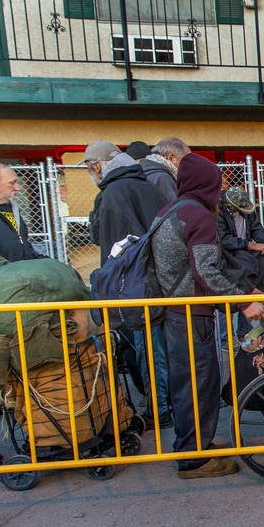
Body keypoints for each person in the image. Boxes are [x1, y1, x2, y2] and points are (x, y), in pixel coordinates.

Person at [152, 153, 264, 479]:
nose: (220, 192)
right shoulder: (198, 215)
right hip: (191, 313)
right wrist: (243, 303)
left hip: (177, 310)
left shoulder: (172, 210)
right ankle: (193, 459)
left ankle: (195, 445)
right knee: (198, 384)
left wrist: (244, 290)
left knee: (191, 384)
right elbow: (206, 271)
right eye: (216, 185)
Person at [86, 150, 173, 429]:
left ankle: (156, 408)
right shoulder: (149, 187)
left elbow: (105, 240)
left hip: (129, 282)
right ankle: (164, 404)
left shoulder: (111, 193)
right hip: (156, 277)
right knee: (157, 345)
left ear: (102, 168)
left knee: (144, 346)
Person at [0, 161, 45, 262]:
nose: (17, 188)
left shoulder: (12, 208)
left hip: (20, 272)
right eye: (11, 183)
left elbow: (23, 245)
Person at [216, 187, 264, 293]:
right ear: (230, 206)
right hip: (230, 252)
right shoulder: (219, 212)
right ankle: (250, 291)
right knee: (246, 263)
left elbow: (256, 228)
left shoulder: (245, 208)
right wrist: (250, 245)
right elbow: (224, 239)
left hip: (244, 247)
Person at [141, 137, 189, 202]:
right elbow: (175, 209)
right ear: (171, 158)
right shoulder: (163, 178)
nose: (188, 165)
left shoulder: (144, 170)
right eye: (186, 160)